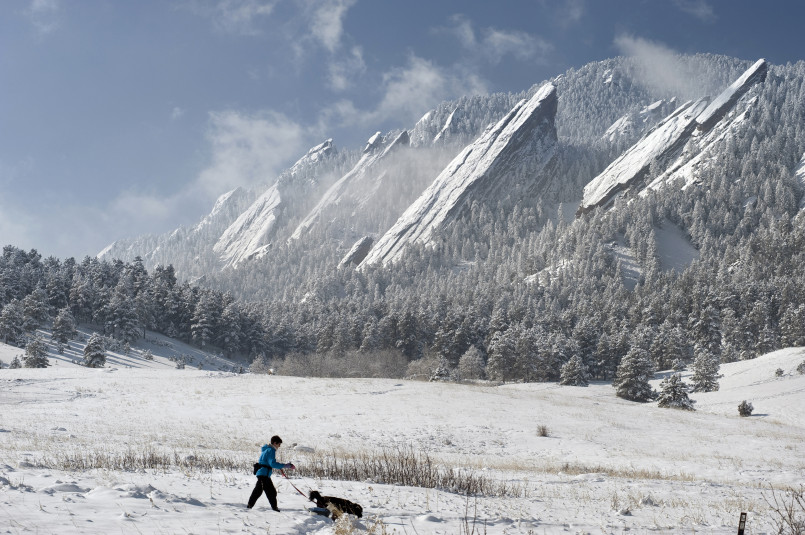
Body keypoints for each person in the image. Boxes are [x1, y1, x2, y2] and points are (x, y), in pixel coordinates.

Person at [247, 435, 295, 511]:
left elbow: (269, 463)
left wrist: (281, 468)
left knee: (270, 492)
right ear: (275, 443)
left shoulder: (267, 450)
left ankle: (274, 508)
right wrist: (286, 465)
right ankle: (249, 507)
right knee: (259, 492)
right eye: (279, 444)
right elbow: (272, 464)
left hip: (264, 474)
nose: (279, 446)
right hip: (263, 474)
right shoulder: (271, 450)